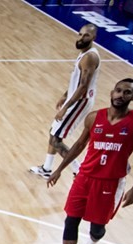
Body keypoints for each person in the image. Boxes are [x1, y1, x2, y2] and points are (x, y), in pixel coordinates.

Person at [36, 79, 133, 244]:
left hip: (110, 182)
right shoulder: (94, 118)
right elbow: (80, 144)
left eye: (127, 93)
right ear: (111, 92)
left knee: (97, 228)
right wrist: (60, 169)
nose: (120, 95)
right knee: (71, 220)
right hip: (85, 177)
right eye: (118, 90)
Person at [29, 24, 100, 180]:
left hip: (80, 101)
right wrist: (65, 95)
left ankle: (80, 172)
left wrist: (66, 106)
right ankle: (47, 168)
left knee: (56, 139)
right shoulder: (84, 54)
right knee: (53, 132)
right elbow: (78, 82)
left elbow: (83, 86)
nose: (81, 38)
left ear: (93, 37)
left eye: (86, 36)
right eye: (80, 34)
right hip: (74, 99)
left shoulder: (90, 57)